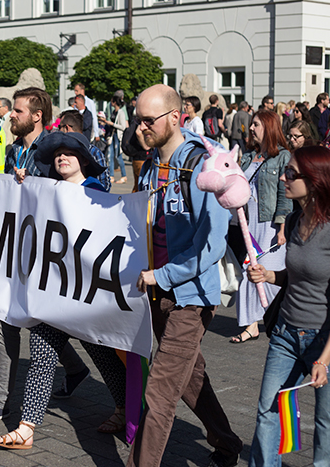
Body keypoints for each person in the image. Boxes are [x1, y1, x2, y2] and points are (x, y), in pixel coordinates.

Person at [0, 131, 127, 450]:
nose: (62, 157)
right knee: (40, 355)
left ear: (83, 160)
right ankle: (26, 427)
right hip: (51, 291)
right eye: (57, 154)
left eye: (70, 153)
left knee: (103, 354)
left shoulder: (96, 192)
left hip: (86, 295)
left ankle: (124, 409)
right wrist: (19, 186)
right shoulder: (44, 190)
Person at [129, 84, 242, 467]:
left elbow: (211, 244)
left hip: (190, 297)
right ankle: (227, 443)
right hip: (157, 293)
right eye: (137, 118)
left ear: (174, 118)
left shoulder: (201, 166)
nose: (140, 127)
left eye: (148, 120)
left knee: (159, 394)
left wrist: (163, 275)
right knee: (191, 379)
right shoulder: (148, 167)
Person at [0, 87, 91, 426]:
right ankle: (0, 399)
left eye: (17, 111)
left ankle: (6, 399)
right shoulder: (11, 151)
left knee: (38, 321)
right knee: (10, 315)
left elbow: (74, 190)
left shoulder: (52, 152)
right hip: (17, 248)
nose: (10, 115)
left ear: (36, 116)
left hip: (46, 254)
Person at [246, 145, 330, 467]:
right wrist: (268, 274)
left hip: (324, 340)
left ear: (316, 180)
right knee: (268, 410)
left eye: (291, 173)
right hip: (285, 334)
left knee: (325, 422)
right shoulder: (296, 220)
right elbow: (298, 275)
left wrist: (323, 360)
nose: (283, 177)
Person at [230, 110, 292, 344]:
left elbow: (284, 194)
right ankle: (252, 324)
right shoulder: (247, 157)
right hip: (247, 224)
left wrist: (282, 227)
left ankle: (273, 319)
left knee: (266, 273)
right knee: (250, 272)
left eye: (256, 124)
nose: (251, 128)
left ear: (268, 127)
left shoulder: (282, 157)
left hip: (270, 225)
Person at [58, 110, 111, 190]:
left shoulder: (93, 152)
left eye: (59, 127)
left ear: (66, 128)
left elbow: (104, 186)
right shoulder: (95, 151)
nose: (62, 157)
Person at [101, 95, 128, 184]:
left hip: (118, 136)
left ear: (115, 102)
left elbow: (123, 126)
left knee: (118, 156)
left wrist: (112, 124)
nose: (110, 103)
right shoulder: (114, 111)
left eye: (112, 101)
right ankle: (111, 175)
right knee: (110, 155)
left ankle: (124, 176)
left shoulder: (121, 112)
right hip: (112, 136)